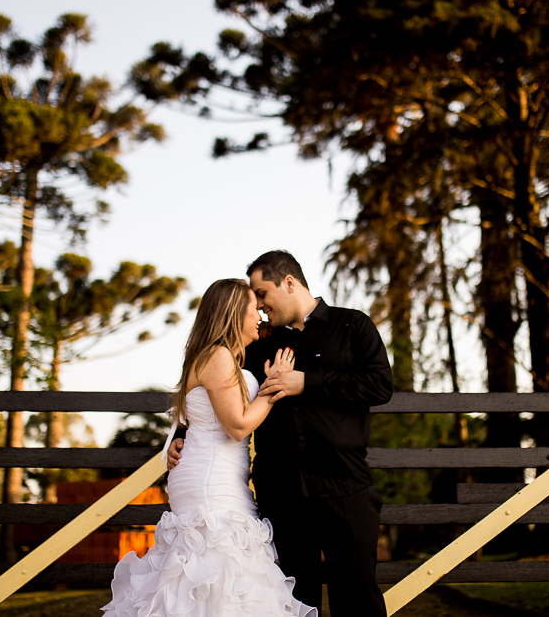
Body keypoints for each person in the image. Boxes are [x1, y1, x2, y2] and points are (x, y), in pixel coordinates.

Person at [168, 251, 394, 617]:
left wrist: (308, 381)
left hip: (345, 483)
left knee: (357, 593)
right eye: (253, 299)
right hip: (281, 493)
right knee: (288, 597)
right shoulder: (259, 345)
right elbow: (212, 390)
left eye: (261, 293)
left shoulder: (353, 325)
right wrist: (182, 433)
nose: (257, 305)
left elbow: (380, 386)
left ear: (289, 283)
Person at [102, 278, 316, 617]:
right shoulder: (217, 356)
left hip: (215, 478)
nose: (258, 317)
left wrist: (179, 440)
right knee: (219, 576)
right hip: (212, 487)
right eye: (251, 310)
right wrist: (274, 385)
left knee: (215, 581)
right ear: (233, 315)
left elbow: (203, 420)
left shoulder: (216, 357)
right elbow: (237, 426)